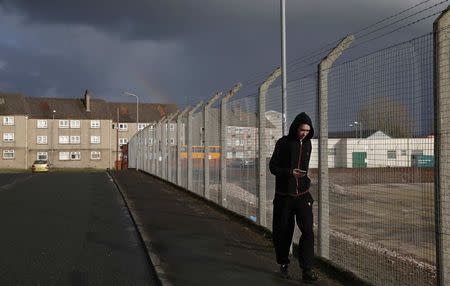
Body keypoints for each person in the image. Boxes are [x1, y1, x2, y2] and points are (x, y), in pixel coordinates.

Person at [269, 112, 318, 282]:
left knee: (308, 232)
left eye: (307, 130)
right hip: (284, 196)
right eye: (302, 129)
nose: (304, 133)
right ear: (296, 127)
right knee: (283, 232)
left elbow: (304, 167)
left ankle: (307, 270)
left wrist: (306, 179)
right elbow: (273, 167)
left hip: (303, 195)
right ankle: (283, 264)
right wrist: (290, 173)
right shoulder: (283, 143)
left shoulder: (309, 144)